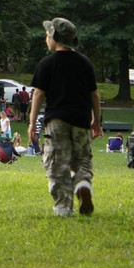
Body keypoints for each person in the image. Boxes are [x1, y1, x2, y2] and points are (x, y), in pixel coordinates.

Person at [28, 18, 102, 217]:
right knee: (82, 159)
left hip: (57, 121)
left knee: (57, 163)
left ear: (54, 38)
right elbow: (94, 94)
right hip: (81, 120)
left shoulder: (47, 63)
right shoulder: (84, 63)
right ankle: (83, 184)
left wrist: (32, 122)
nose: (46, 38)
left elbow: (38, 94)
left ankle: (63, 207)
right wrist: (96, 121)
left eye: (47, 35)